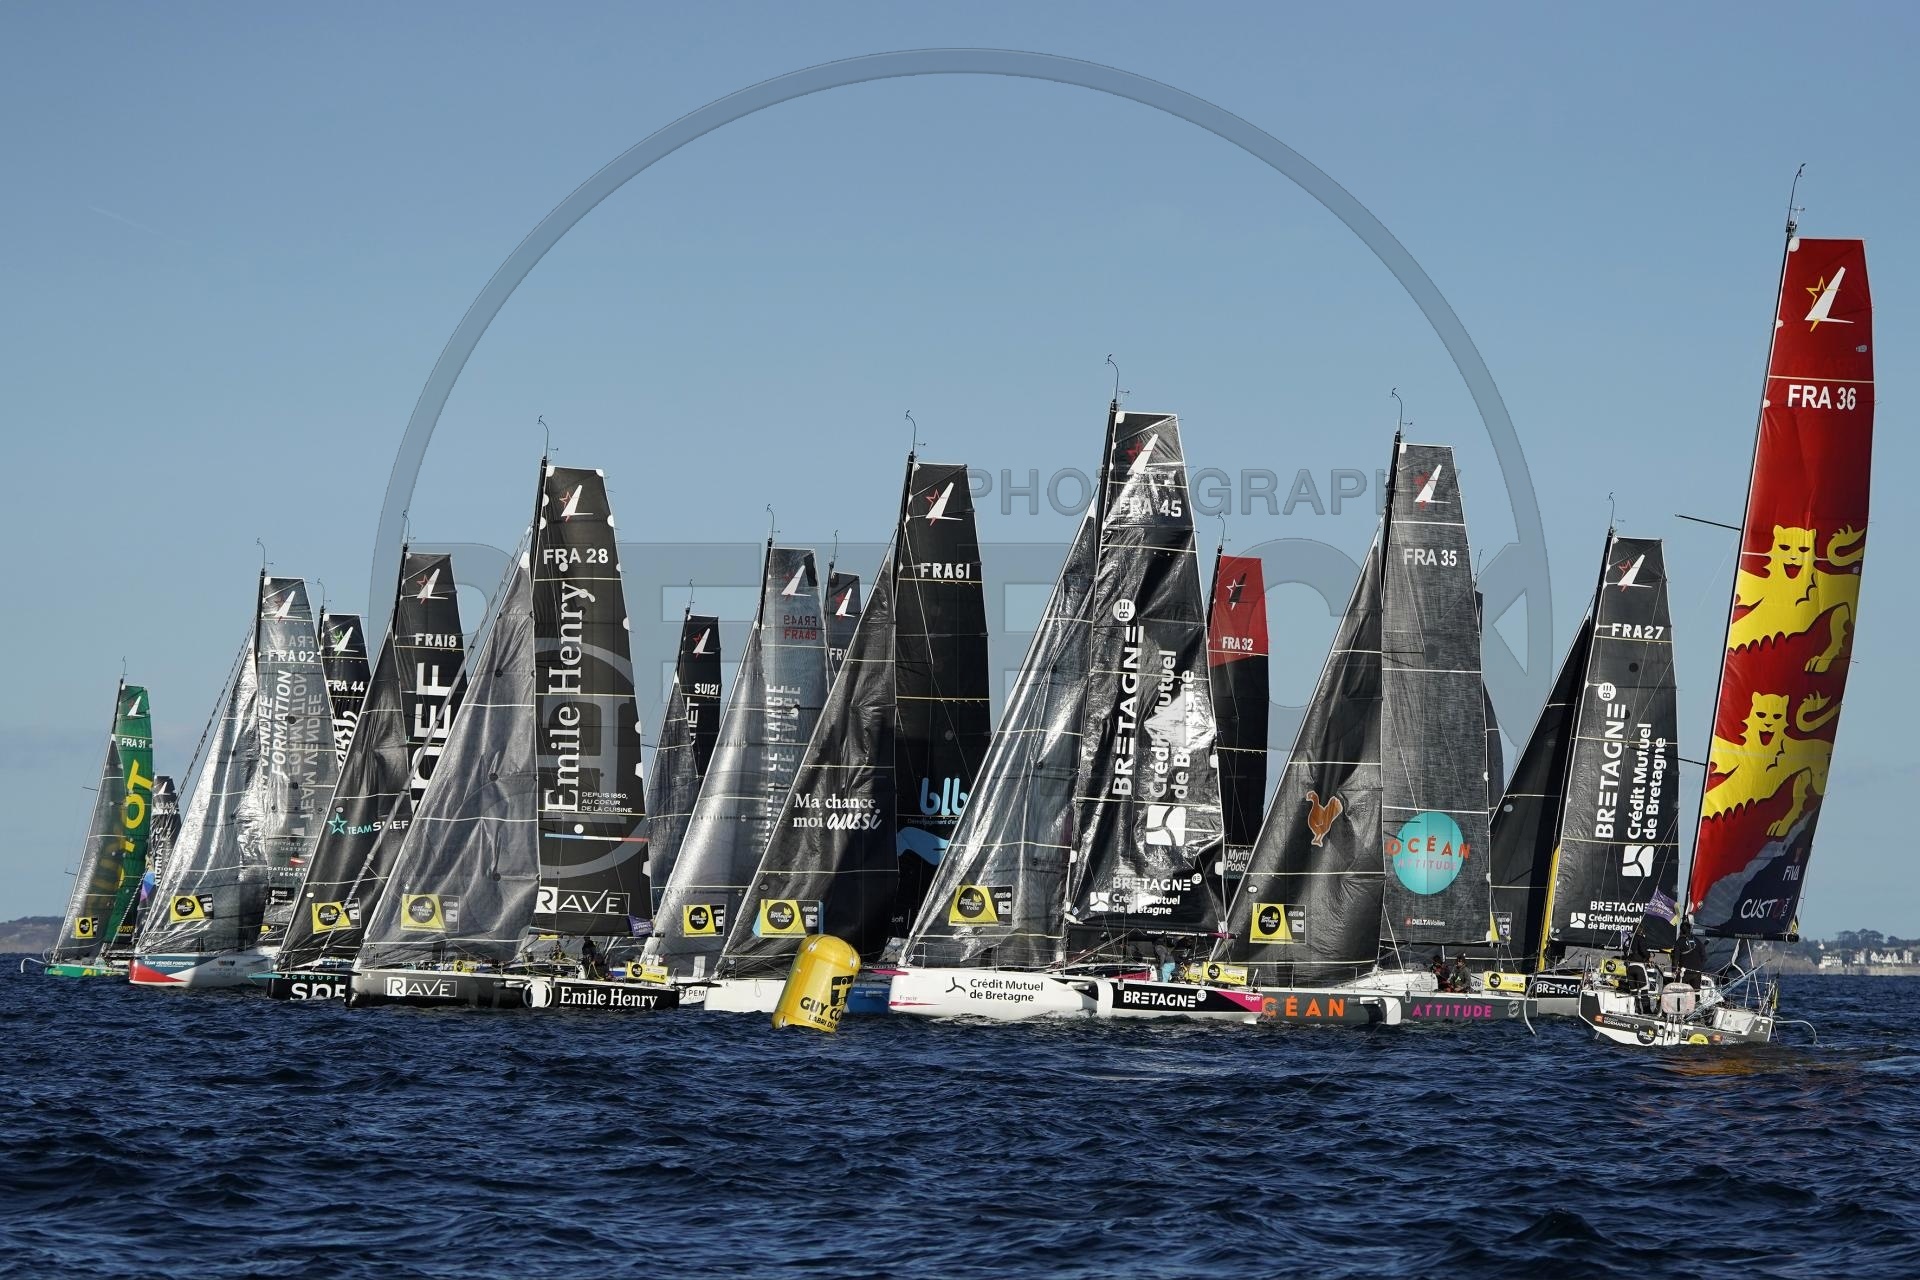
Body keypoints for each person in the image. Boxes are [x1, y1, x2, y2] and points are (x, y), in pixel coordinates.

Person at [1673, 919, 1708, 988]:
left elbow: (1676, 958)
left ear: (1681, 930)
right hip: (1697, 972)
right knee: (1696, 992)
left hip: (1685, 972)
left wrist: (1674, 970)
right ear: (1690, 929)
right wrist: (1700, 969)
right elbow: (1704, 957)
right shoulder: (1697, 941)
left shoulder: (1679, 942)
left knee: (1676, 988)